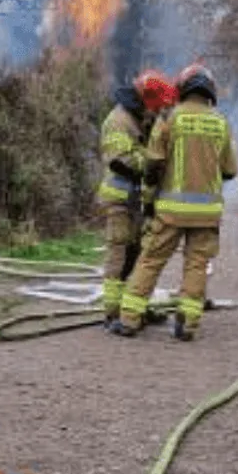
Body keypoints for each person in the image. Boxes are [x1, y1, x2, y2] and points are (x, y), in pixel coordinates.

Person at [113, 63, 238, 341]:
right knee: (196, 264)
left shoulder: (170, 118)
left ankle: (129, 320)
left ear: (182, 88)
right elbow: (231, 170)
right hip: (207, 213)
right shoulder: (221, 123)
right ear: (210, 92)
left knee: (151, 260)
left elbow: (153, 163)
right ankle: (187, 325)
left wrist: (150, 197)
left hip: (170, 211)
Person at [96, 70, 177, 323]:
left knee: (138, 257)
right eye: (157, 106)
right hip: (119, 200)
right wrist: (152, 162)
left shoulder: (139, 117)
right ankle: (113, 313)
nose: (158, 111)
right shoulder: (119, 120)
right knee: (119, 256)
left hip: (135, 201)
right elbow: (120, 160)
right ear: (146, 99)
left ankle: (134, 307)